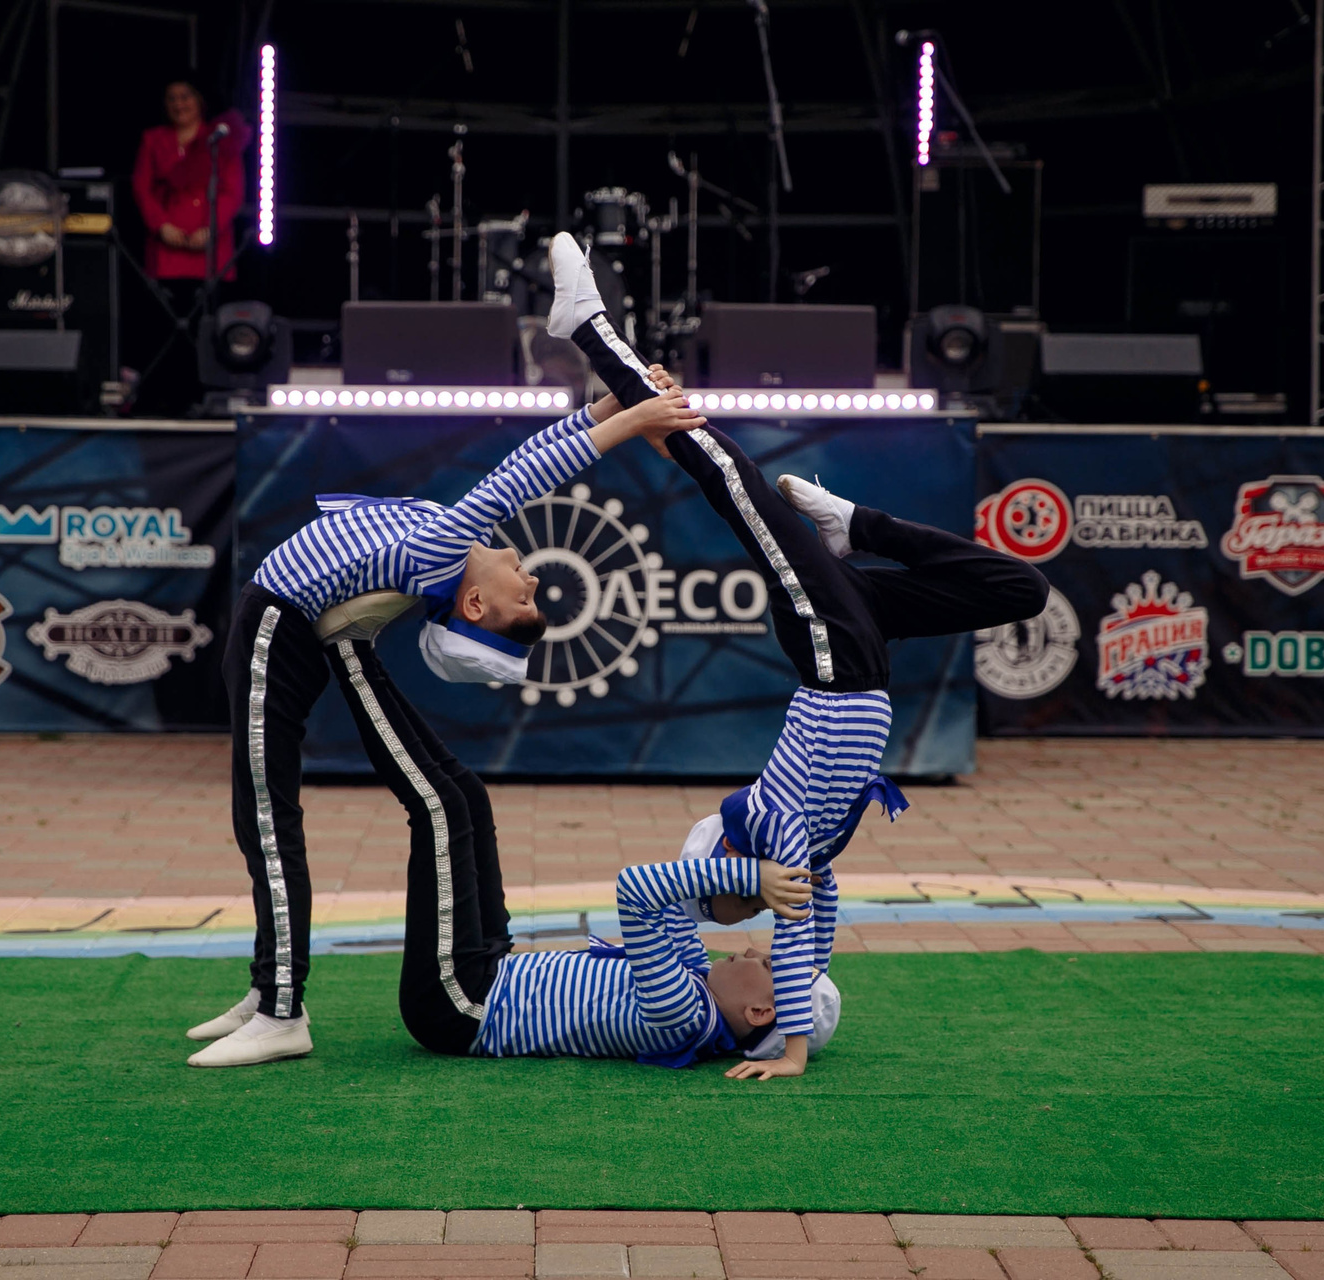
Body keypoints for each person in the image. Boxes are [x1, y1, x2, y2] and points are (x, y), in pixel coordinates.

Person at [544, 231, 1049, 1079]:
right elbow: (809, 932)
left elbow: (767, 915)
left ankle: (594, 331)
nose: (738, 936)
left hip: (833, 663)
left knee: (729, 479)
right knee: (1020, 589)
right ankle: (858, 526)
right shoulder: (794, 853)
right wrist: (793, 1047)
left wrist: (786, 1025)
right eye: (725, 897)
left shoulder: (770, 825)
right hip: (857, 654)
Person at [186, 387, 706, 1068]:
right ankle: (269, 988)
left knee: (267, 824)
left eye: (522, 597)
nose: (532, 579)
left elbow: (520, 478)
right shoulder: (450, 554)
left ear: (476, 603)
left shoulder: (440, 553)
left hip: (274, 630)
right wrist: (614, 405)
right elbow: (530, 455)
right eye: (533, 592)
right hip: (278, 623)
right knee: (267, 824)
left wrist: (635, 422)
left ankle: (282, 1011)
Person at [400, 832, 830, 1069]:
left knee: (443, 810)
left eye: (769, 965)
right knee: (470, 804)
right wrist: (749, 861)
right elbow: (678, 904)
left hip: (464, 1005)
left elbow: (636, 889)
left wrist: (753, 876)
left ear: (759, 1012)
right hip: (495, 969)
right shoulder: (697, 978)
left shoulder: (682, 1012)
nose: (754, 950)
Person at [131, 78, 249, 290]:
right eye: (172, 99)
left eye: (185, 97)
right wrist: (161, 226)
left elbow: (233, 192)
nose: (178, 104)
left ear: (199, 100)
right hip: (167, 244)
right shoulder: (152, 139)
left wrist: (210, 228)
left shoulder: (220, 138)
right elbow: (142, 188)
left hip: (210, 244)